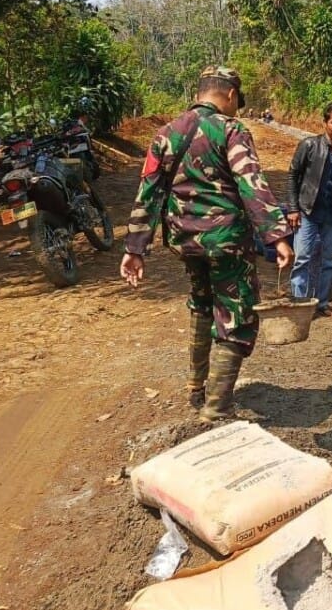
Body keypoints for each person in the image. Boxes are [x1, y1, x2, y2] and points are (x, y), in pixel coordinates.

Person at [120, 66, 293, 422]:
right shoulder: (231, 130)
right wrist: (276, 234)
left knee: (201, 303)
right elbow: (251, 184)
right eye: (237, 102)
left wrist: (134, 248)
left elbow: (148, 191)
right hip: (226, 242)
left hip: (185, 241)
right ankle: (216, 409)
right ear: (230, 95)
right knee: (236, 315)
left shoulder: (165, 133)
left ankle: (196, 388)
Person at [286, 102, 332, 317]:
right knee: (302, 258)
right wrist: (293, 208)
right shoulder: (309, 146)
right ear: (325, 122)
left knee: (329, 262)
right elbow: (292, 176)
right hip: (308, 211)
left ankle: (321, 303)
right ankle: (300, 305)